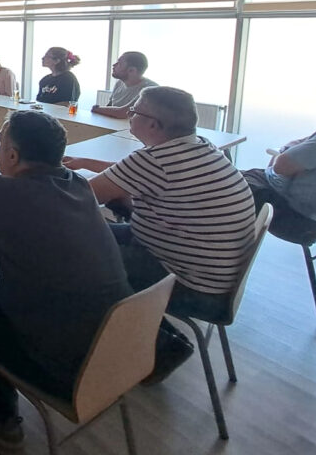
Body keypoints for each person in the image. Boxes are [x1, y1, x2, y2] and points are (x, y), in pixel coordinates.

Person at [0, 111, 132, 449]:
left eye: (0, 145)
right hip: (117, 348)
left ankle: (1, 418)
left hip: (63, 363)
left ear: (13, 155)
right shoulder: (80, 184)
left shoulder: (5, 190)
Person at [63, 86, 255, 382]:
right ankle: (138, 335)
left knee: (73, 260)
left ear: (153, 124)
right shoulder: (199, 147)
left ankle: (161, 348)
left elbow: (79, 199)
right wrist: (86, 163)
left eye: (134, 111)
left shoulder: (155, 161)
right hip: (216, 276)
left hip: (191, 285)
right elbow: (130, 174)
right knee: (89, 238)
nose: (129, 115)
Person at [243, 86, 316, 236]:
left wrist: (282, 154)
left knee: (221, 185)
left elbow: (281, 166)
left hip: (291, 212)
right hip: (311, 212)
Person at [91, 51, 157, 118]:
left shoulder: (150, 90)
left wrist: (97, 108)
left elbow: (123, 113)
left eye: (119, 63)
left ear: (132, 70)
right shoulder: (119, 83)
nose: (114, 65)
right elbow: (109, 106)